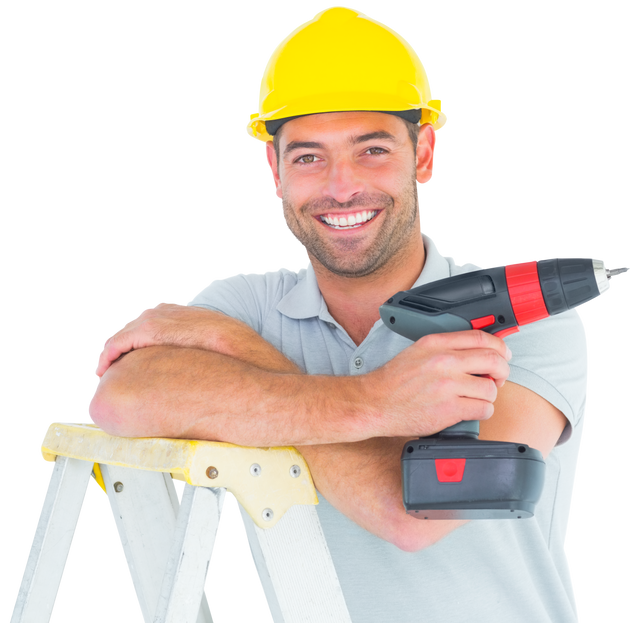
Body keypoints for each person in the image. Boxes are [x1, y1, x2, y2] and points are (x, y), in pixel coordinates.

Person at [88, 6, 588, 622]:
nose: (341, 186)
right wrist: (376, 401)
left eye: (372, 150)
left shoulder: (525, 313)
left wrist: (239, 355)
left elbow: (414, 513)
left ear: (424, 155)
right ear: (274, 170)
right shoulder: (243, 306)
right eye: (308, 158)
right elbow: (121, 398)